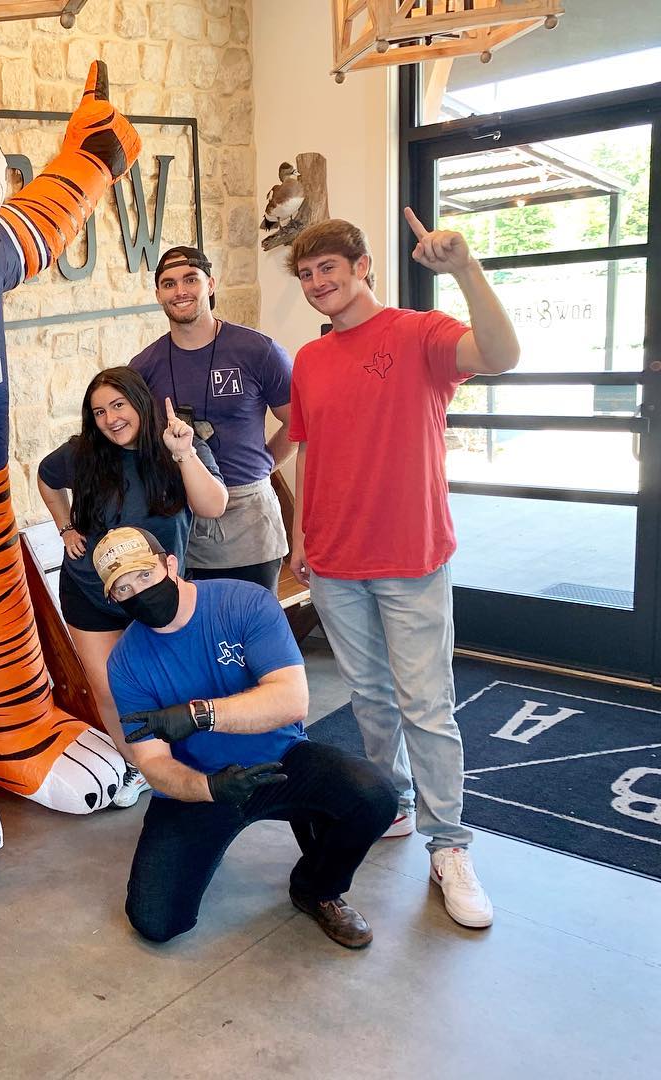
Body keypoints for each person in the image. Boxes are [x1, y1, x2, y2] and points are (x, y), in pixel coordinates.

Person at [286, 211, 521, 929]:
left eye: (328, 268)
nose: (317, 282)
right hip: (334, 559)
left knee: (427, 706)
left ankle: (449, 847)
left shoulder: (420, 334)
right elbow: (309, 451)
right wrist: (300, 537)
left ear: (363, 267)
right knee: (370, 699)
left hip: (411, 555)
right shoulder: (310, 359)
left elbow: (503, 354)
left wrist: (466, 269)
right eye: (305, 274)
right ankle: (393, 800)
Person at [94, 527, 398, 949]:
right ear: (113, 599)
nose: (139, 592)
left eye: (145, 575)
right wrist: (208, 788)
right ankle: (211, 836)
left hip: (280, 760)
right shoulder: (126, 664)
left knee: (374, 795)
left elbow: (292, 700)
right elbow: (152, 763)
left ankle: (317, 888)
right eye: (123, 588)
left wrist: (200, 715)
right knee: (155, 922)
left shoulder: (243, 602)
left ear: (170, 564)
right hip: (201, 785)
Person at [37, 367, 227, 808]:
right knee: (108, 689)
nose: (110, 419)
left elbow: (214, 505)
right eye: (99, 411)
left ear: (140, 402)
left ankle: (188, 761)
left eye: (118, 405)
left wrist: (184, 454)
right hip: (91, 591)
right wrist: (65, 527)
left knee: (175, 683)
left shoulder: (178, 444)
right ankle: (142, 766)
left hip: (159, 594)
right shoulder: (83, 453)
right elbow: (46, 478)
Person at [129, 245, 295, 592]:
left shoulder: (258, 350)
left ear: (211, 284)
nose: (181, 290)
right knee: (197, 625)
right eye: (169, 283)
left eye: (191, 279)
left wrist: (265, 465)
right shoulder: (144, 367)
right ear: (158, 294)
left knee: (252, 622)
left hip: (250, 523)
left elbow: (298, 422)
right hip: (183, 524)